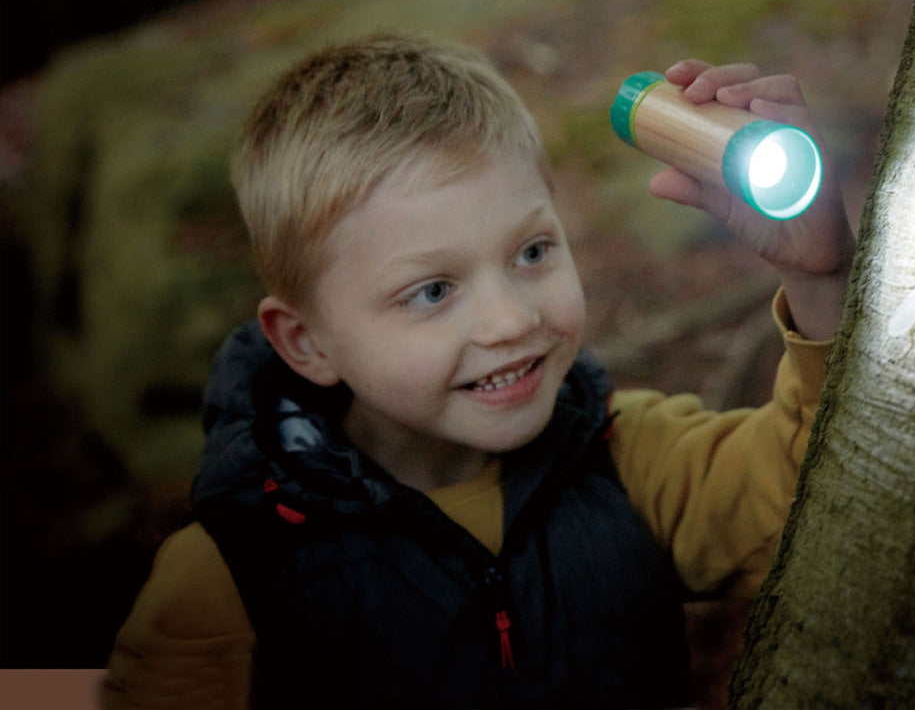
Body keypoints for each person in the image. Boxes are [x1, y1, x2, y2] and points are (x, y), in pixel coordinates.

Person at [100, 35, 855, 709]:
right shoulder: (229, 581)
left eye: (531, 252)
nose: (511, 321)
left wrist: (822, 278)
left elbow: (822, 501)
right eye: (432, 291)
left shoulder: (632, 460)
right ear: (307, 343)